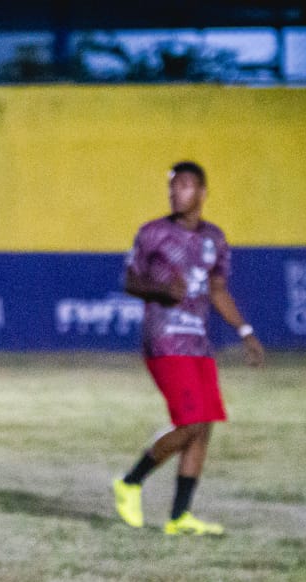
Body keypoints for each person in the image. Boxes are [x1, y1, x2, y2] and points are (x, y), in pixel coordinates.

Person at [112, 161, 264, 536]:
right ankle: (130, 481)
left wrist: (245, 331)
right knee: (191, 421)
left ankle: (180, 517)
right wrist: (162, 290)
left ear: (202, 192)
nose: (175, 193)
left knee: (204, 425)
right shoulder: (153, 233)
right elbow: (130, 281)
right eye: (172, 186)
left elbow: (217, 290)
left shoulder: (215, 238)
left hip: (199, 341)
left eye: (183, 186)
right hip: (164, 339)